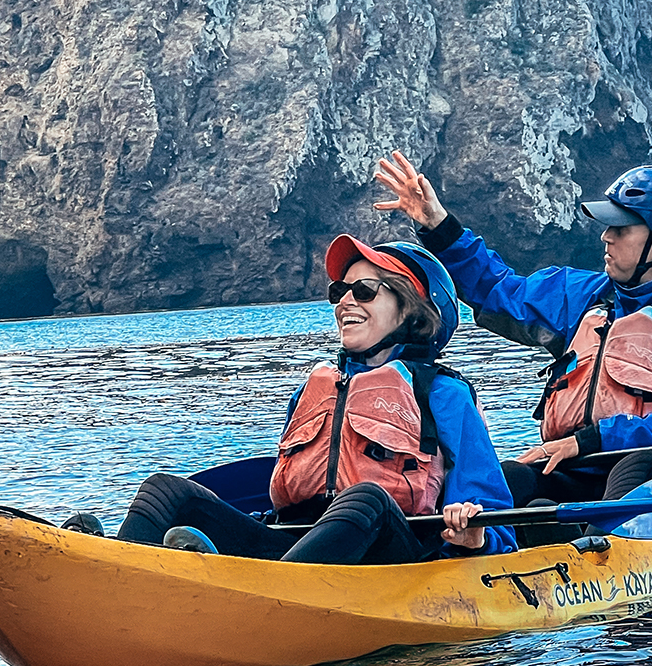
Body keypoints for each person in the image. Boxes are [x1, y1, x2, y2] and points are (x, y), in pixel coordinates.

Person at [373, 152, 652, 524]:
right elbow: (496, 289)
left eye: (620, 229)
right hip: (580, 468)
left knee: (636, 467)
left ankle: (599, 550)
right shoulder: (583, 296)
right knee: (512, 479)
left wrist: (593, 439)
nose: (606, 237)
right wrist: (437, 226)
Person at [104, 235, 517, 562]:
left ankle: (268, 598)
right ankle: (114, 575)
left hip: (390, 551)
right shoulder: (315, 387)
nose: (346, 301)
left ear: (411, 312)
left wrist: (474, 537)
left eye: (365, 290)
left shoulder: (444, 394)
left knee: (368, 496)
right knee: (164, 491)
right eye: (341, 291)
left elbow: (499, 525)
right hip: (293, 550)